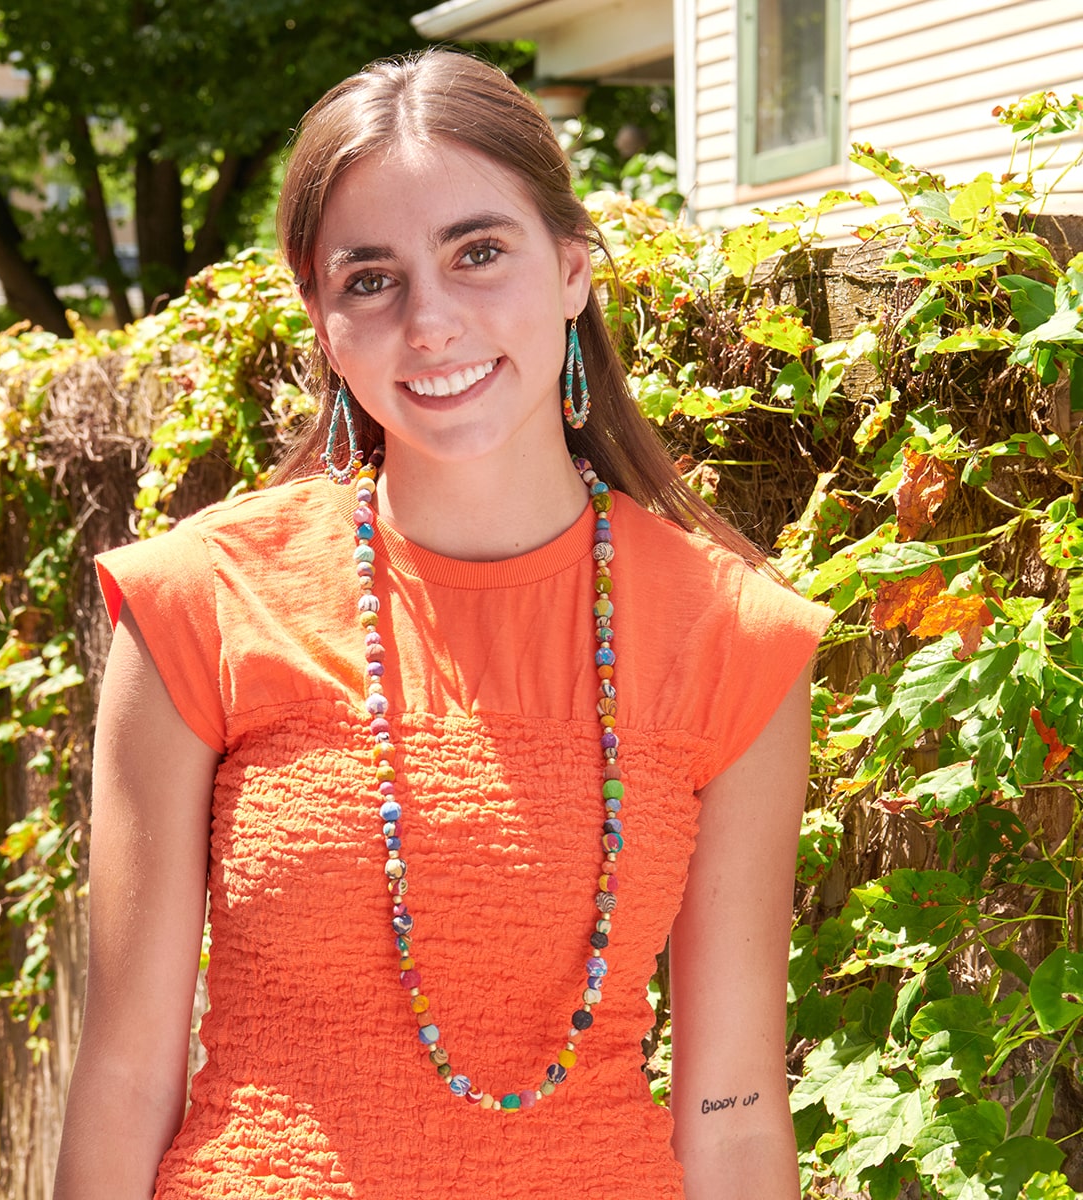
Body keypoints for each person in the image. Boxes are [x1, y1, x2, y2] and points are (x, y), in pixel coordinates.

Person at [53, 49, 830, 1200]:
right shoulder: (199, 605)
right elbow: (123, 1078)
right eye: (370, 278)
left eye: (479, 252)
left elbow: (734, 1108)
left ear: (571, 269)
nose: (431, 323)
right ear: (321, 319)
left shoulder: (732, 639)